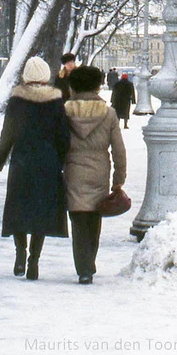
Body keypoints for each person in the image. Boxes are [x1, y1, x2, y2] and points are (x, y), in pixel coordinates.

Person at [0, 56, 70, 281]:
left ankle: (20, 253)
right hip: (48, 164)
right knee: (41, 213)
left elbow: (7, 137)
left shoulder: (17, 101)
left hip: (22, 163)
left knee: (19, 210)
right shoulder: (56, 101)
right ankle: (34, 260)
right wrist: (60, 161)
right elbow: (63, 137)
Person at [63, 65, 127, 285]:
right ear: (98, 86)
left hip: (73, 170)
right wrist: (119, 180)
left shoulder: (64, 111)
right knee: (94, 218)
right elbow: (118, 149)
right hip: (99, 171)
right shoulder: (108, 113)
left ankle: (83, 268)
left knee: (78, 219)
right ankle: (89, 262)